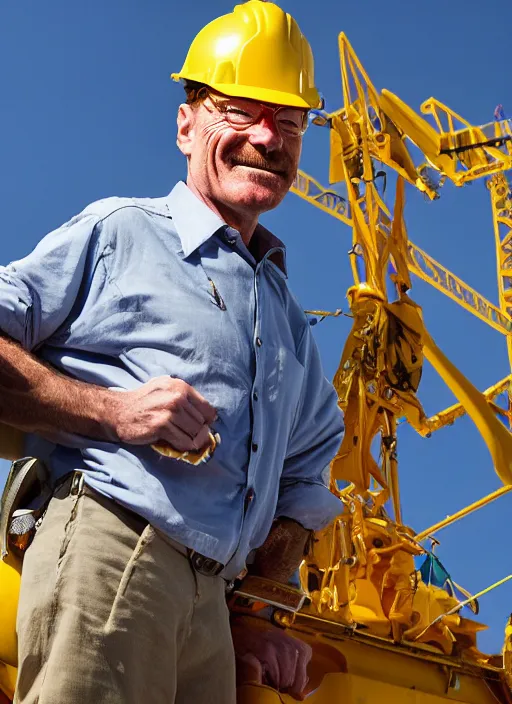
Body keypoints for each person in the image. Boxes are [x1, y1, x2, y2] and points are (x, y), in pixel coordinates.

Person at [0, 1, 343, 702]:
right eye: (239, 111)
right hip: (111, 546)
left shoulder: (286, 325)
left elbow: (306, 480)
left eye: (290, 122)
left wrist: (257, 611)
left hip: (214, 609)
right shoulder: (122, 234)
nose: (267, 137)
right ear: (186, 123)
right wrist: (108, 410)